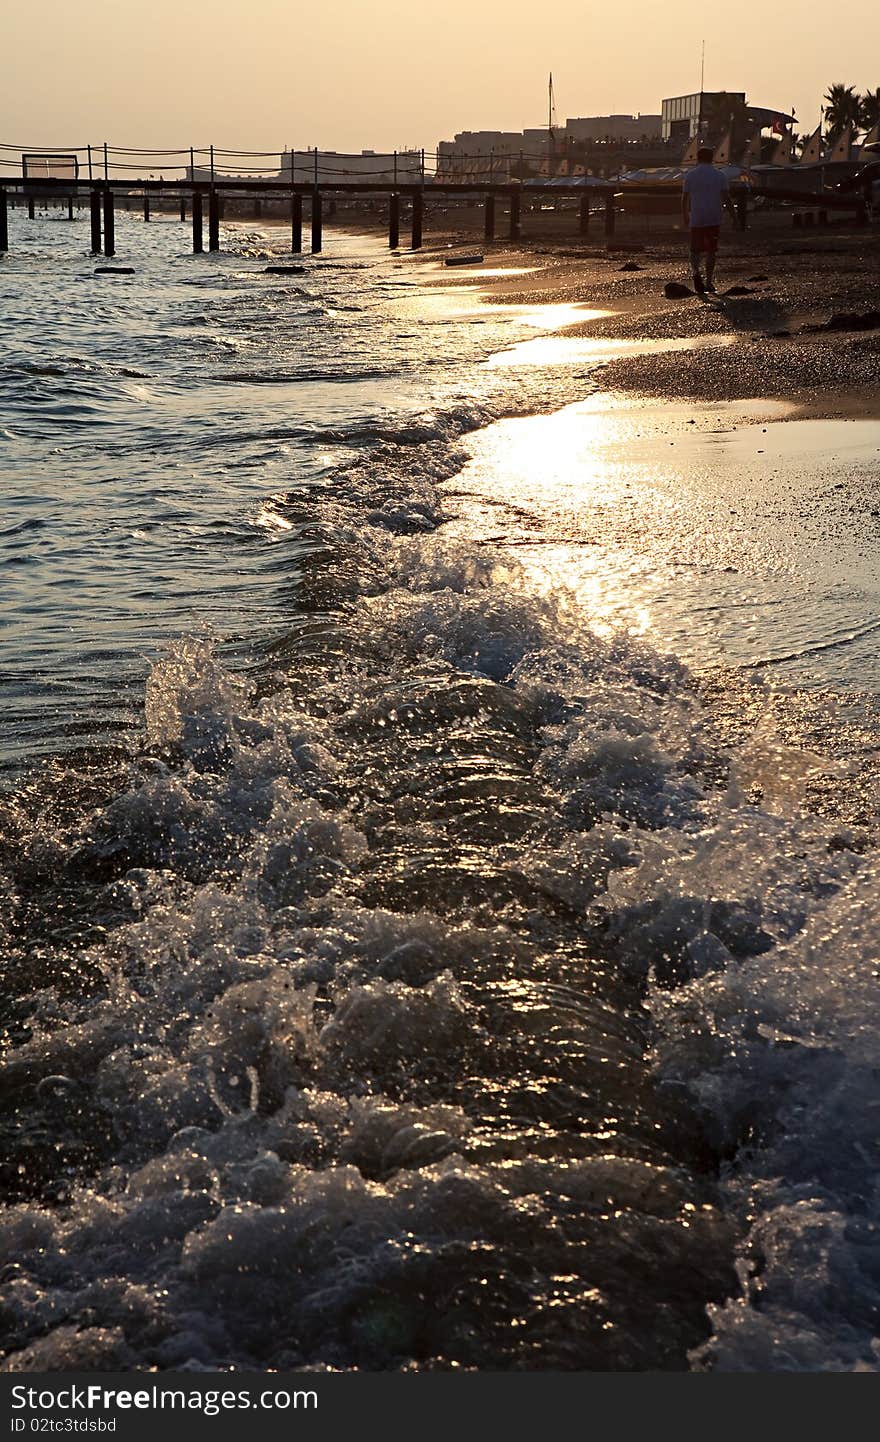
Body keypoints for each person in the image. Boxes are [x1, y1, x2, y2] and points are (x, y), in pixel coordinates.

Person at [681, 146, 736, 295]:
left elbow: (685, 198)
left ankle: (695, 273)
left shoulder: (690, 175)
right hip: (713, 216)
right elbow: (726, 198)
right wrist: (734, 215)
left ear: (698, 158)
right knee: (711, 250)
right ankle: (709, 281)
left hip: (697, 217)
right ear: (712, 158)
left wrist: (685, 215)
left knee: (695, 250)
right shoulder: (720, 175)